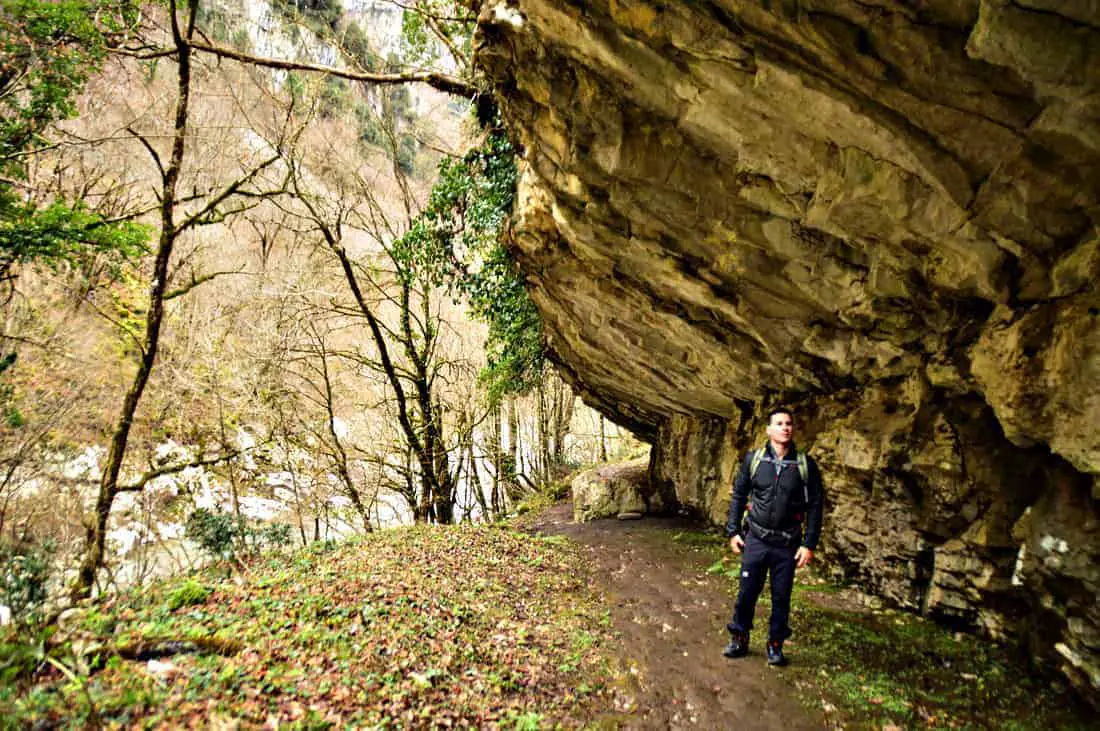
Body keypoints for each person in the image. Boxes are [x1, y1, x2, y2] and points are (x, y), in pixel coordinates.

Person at [723, 407, 823, 666]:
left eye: (788, 423)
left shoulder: (804, 465)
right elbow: (738, 495)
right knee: (747, 592)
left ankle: (775, 644)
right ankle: (740, 638)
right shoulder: (754, 460)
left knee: (781, 596)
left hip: (787, 542)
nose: (785, 427)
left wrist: (809, 543)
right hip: (756, 537)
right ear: (768, 430)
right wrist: (733, 531)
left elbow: (815, 505)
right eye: (779, 423)